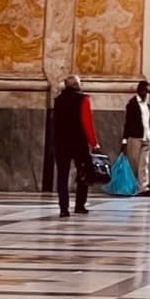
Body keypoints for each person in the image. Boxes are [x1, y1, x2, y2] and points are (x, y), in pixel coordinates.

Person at [52, 72, 97, 218]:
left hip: (61, 143)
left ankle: (63, 209)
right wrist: (94, 143)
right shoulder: (83, 100)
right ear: (77, 85)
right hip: (78, 143)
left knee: (62, 177)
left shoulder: (58, 100)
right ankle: (79, 205)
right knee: (82, 175)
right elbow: (86, 123)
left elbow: (55, 123)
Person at [122, 80, 150, 196]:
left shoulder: (147, 105)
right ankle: (132, 186)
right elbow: (127, 123)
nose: (147, 94)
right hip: (135, 137)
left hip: (147, 136)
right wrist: (124, 140)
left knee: (144, 163)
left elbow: (149, 121)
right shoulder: (132, 105)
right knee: (134, 163)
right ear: (140, 91)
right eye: (146, 91)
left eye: (149, 92)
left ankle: (144, 187)